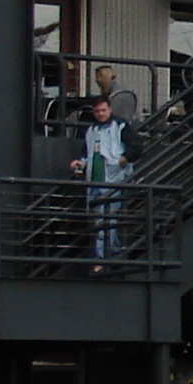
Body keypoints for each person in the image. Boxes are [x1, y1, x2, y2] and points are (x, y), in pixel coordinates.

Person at [71, 95, 137, 260]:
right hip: (94, 180)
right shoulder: (91, 131)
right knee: (100, 219)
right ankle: (113, 251)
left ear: (110, 109)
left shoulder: (120, 125)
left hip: (113, 180)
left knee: (105, 219)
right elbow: (87, 154)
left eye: (103, 110)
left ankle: (101, 257)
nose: (100, 114)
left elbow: (136, 146)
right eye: (97, 111)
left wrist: (125, 158)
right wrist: (80, 163)